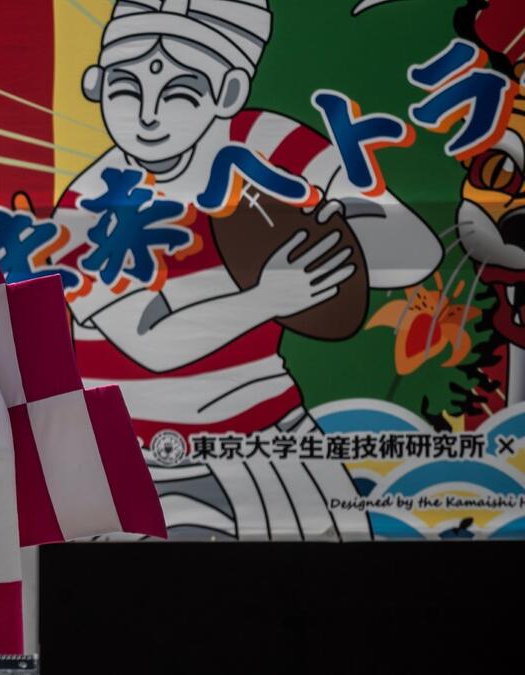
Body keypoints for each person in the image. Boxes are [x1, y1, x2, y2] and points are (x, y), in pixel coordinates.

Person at [54, 0, 441, 539]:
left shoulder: (266, 142)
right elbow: (151, 341)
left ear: (229, 91)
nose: (147, 115)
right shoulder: (91, 202)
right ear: (95, 84)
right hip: (135, 450)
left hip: (270, 433)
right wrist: (270, 296)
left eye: (179, 93)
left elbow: (416, 249)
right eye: (125, 89)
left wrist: (335, 236)